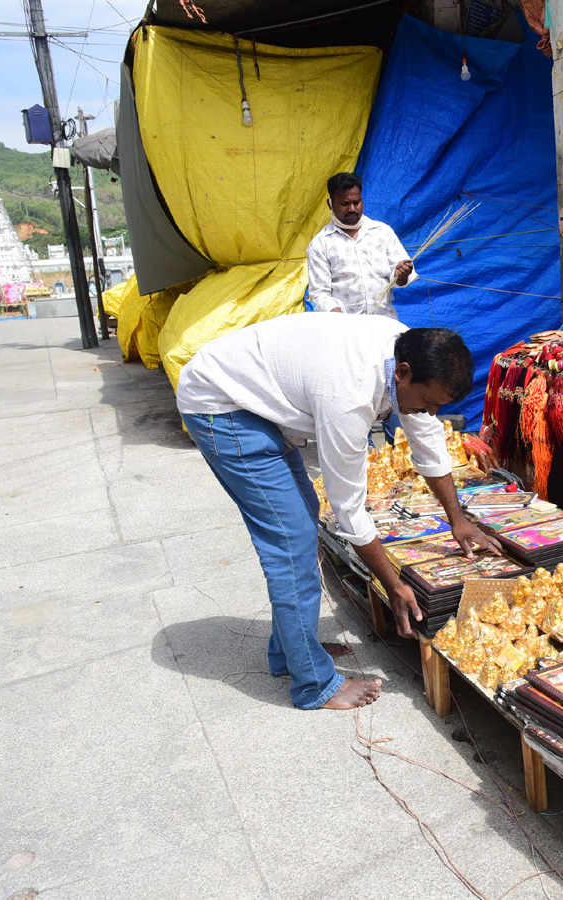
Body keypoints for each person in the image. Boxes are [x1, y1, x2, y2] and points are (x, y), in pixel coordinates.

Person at [176, 313, 500, 710]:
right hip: (221, 404)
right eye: (428, 403)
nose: (430, 413)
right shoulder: (349, 395)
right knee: (291, 539)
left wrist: (459, 520)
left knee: (303, 514)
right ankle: (314, 684)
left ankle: (292, 651)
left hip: (251, 396)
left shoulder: (409, 351)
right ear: (402, 373)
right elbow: (348, 509)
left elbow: (429, 442)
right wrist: (391, 585)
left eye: (439, 406)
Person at [305, 172, 415, 318]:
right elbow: (319, 293)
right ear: (330, 204)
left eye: (356, 202)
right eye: (344, 203)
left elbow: (401, 278)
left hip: (384, 321)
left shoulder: (382, 232)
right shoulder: (321, 243)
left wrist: (401, 274)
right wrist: (339, 318)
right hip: (345, 327)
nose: (352, 208)